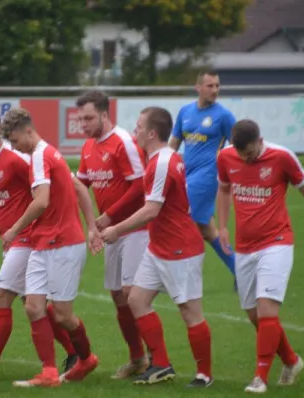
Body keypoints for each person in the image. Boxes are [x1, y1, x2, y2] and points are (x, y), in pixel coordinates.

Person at [216, 119, 304, 394]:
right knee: (253, 315)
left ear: (259, 141)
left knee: (266, 311)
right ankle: (290, 360)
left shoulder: (282, 157)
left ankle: (260, 377)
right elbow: (224, 188)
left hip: (277, 242)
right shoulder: (225, 156)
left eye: (249, 153)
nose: (244, 158)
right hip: (244, 247)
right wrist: (223, 226)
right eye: (240, 153)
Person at [0, 105, 79, 381]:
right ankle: (74, 353)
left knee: (1, 298)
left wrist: (17, 230)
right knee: (34, 304)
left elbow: (60, 187)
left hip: (29, 239)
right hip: (16, 241)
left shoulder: (19, 159)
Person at [102, 107, 213, 388]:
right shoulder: (157, 160)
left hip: (180, 248)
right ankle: (161, 365)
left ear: (152, 133)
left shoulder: (162, 162)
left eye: (139, 126)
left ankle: (204, 375)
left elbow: (151, 210)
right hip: (160, 246)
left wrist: (116, 229)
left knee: (190, 311)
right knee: (137, 300)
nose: (135, 130)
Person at [1, 108, 102, 388]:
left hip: (64, 245)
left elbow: (41, 201)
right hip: (43, 243)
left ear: (26, 131)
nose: (13, 146)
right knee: (34, 307)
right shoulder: (49, 153)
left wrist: (14, 229)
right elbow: (80, 189)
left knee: (62, 315)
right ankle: (48, 372)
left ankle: (86, 359)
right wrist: (91, 226)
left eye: (14, 140)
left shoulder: (39, 156)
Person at [75, 91, 150, 379]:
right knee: (118, 295)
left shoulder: (123, 142)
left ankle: (158, 359)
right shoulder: (87, 147)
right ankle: (137, 359)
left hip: (135, 228)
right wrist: (91, 226)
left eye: (89, 118)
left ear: (105, 115)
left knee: (133, 295)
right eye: (80, 119)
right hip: (112, 233)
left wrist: (108, 216)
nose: (84, 124)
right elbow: (81, 188)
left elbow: (140, 185)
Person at [169, 70, 236, 286]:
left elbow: (239, 147)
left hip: (208, 176)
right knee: (207, 230)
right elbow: (174, 144)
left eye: (217, 86)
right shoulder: (185, 112)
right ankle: (240, 270)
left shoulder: (223, 116)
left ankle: (176, 275)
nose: (215, 90)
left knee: (180, 218)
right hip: (186, 174)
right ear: (198, 87)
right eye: (210, 86)